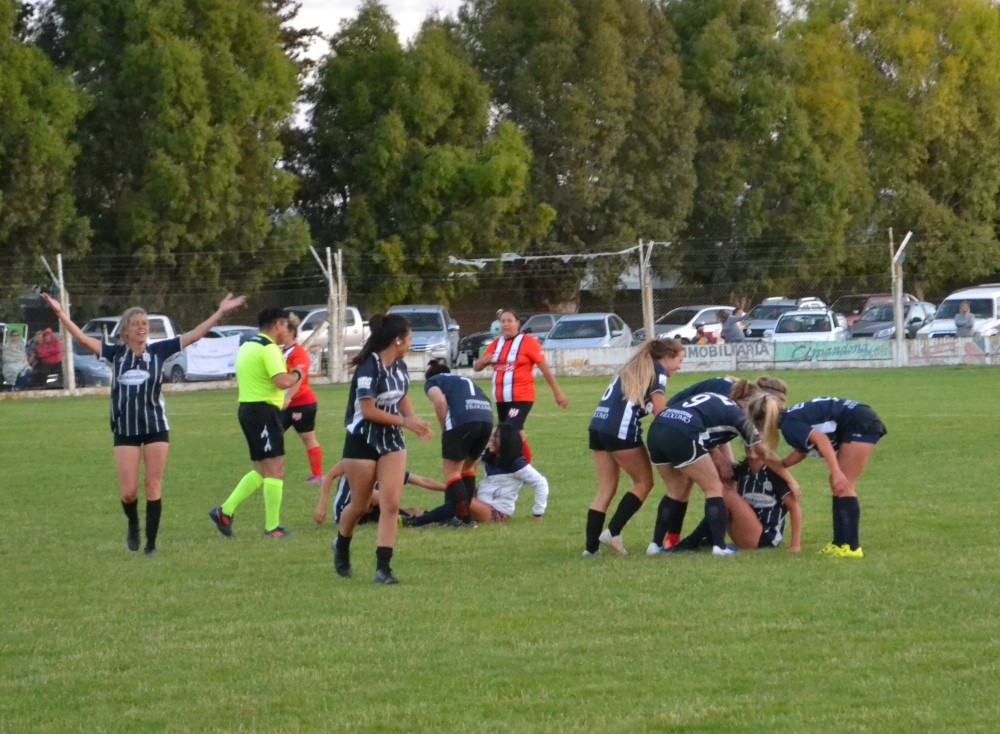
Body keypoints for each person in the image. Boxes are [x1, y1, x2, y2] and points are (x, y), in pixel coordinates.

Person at [42, 291, 246, 554]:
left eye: (145, 323)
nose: (142, 327)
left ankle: (151, 544)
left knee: (153, 485)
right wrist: (60, 313)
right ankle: (133, 524)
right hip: (125, 430)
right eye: (136, 323)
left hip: (155, 428)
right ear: (125, 331)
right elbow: (81, 338)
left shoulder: (158, 351)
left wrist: (220, 312)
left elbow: (194, 335)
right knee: (128, 493)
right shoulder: (115, 354)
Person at [332, 313, 434, 585]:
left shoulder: (399, 366)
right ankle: (341, 545)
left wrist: (414, 420)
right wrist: (406, 422)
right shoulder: (369, 367)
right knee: (360, 505)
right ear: (397, 339)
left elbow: (401, 398)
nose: (411, 342)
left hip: (391, 441)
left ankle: (383, 569)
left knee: (390, 504)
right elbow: (367, 411)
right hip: (362, 440)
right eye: (409, 337)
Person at [645, 390, 799, 557]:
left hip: (657, 428)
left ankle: (657, 545)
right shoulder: (741, 419)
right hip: (684, 433)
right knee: (716, 490)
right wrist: (791, 480)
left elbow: (708, 434)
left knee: (677, 491)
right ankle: (713, 545)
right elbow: (761, 451)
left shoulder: (722, 403)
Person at [209, 308, 304, 540]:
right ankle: (273, 528)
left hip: (249, 410)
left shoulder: (248, 345)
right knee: (275, 467)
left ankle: (225, 511)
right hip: (262, 412)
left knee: (262, 470)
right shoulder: (268, 348)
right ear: (278, 325)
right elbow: (282, 381)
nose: (287, 331)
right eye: (285, 326)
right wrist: (297, 375)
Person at [583, 339, 684, 557]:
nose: (679, 366)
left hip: (597, 426)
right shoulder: (658, 370)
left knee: (606, 489)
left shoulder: (634, 366)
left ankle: (590, 550)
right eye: (679, 360)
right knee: (644, 482)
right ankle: (613, 532)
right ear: (666, 358)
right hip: (619, 431)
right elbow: (660, 411)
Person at [779, 396, 887, 558]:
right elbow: (803, 449)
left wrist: (836, 472)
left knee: (844, 484)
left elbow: (821, 439)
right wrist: (778, 466)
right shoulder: (791, 418)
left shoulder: (788, 424)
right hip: (858, 418)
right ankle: (839, 543)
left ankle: (851, 547)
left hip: (860, 422)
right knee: (837, 485)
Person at [403, 423, 549, 526]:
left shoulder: (517, 463)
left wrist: (538, 513)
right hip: (481, 504)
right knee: (459, 495)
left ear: (506, 442)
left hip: (496, 513)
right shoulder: (489, 456)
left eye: (495, 437)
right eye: (491, 435)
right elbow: (466, 466)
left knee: (460, 499)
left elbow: (541, 483)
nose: (490, 439)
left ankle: (417, 522)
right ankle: (423, 516)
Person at [473, 308, 568, 463]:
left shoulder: (529, 342)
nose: (505, 324)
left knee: (507, 428)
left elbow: (545, 370)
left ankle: (492, 457)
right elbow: (477, 367)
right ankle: (524, 464)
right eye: (502, 321)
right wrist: (483, 361)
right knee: (517, 431)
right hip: (502, 398)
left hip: (521, 397)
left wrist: (558, 393)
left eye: (509, 321)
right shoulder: (496, 344)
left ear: (518, 323)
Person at [421, 358, 494, 527]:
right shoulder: (462, 379)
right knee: (467, 469)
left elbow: (439, 401)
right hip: (487, 418)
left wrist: (446, 430)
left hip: (464, 419)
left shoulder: (433, 381)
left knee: (452, 472)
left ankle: (464, 520)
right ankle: (465, 517)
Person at [313, 460, 445, 526]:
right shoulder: (356, 458)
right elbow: (330, 476)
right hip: (347, 511)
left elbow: (422, 480)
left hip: (372, 508)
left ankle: (438, 519)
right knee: (372, 495)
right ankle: (409, 521)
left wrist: (450, 487)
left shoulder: (387, 466)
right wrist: (322, 505)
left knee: (414, 510)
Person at [280, 313, 323, 482]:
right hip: (284, 404)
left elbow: (298, 378)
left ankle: (317, 475)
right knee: (274, 434)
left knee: (308, 437)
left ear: (290, 331)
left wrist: (288, 397)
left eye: (283, 328)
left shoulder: (299, 353)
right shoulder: (281, 351)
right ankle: (271, 472)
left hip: (301, 403)